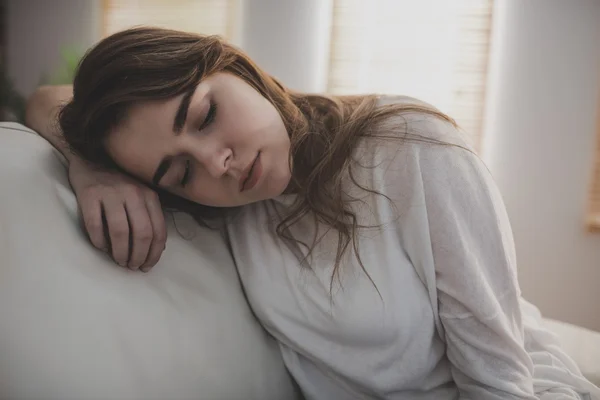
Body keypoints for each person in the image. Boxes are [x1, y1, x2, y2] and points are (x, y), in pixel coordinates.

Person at [25, 27, 600, 400]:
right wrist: (91, 168)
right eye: (178, 172)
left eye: (203, 117)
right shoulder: (230, 213)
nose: (216, 163)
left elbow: (498, 380)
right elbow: (46, 99)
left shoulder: (410, 145)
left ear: (234, 65)